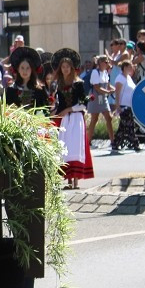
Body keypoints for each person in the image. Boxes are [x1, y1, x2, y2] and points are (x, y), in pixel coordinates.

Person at [53, 48, 93, 189]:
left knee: (76, 146)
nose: (65, 69)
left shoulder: (78, 83)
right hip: (65, 119)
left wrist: (69, 109)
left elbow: (83, 103)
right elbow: (58, 104)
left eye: (67, 67)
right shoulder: (59, 85)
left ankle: (76, 180)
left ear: (72, 68)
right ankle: (68, 179)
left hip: (76, 118)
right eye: (63, 67)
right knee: (65, 147)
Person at [87, 55, 116, 150]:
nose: (108, 64)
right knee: (94, 119)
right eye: (106, 62)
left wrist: (113, 89)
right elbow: (96, 87)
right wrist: (107, 92)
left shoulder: (105, 73)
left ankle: (113, 141)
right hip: (96, 97)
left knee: (109, 117)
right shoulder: (95, 72)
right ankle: (88, 141)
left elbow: (107, 85)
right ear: (100, 63)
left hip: (103, 97)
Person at [112, 60, 140, 151]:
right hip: (123, 106)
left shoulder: (128, 78)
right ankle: (135, 143)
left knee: (123, 127)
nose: (132, 68)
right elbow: (117, 93)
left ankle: (116, 143)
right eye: (130, 67)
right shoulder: (120, 79)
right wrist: (117, 106)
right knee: (130, 125)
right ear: (125, 68)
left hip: (130, 105)